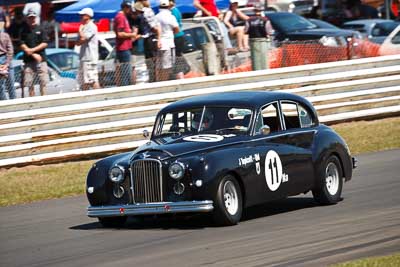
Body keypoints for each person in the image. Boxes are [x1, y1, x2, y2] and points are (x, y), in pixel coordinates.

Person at [20, 9, 49, 97]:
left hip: (41, 60)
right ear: (27, 19)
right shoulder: (23, 31)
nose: (32, 19)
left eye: (33, 18)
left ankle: (43, 99)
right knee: (29, 83)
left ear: (35, 18)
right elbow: (21, 44)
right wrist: (32, 53)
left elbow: (45, 43)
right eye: (30, 18)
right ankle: (32, 102)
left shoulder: (41, 29)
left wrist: (32, 50)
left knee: (43, 82)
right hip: (28, 61)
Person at [134, 0, 161, 82]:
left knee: (149, 62)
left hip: (145, 40)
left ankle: (152, 79)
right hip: (151, 38)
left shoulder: (136, 13)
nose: (148, 1)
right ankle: (156, 80)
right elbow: (154, 27)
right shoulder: (147, 11)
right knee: (155, 61)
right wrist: (159, 36)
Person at [114, 0, 139, 86]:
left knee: (127, 72)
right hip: (123, 48)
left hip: (126, 47)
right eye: (128, 8)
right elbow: (120, 33)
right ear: (125, 7)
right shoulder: (120, 17)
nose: (129, 10)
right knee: (126, 73)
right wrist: (132, 34)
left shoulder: (123, 16)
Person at [155, 0, 180, 81]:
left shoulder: (157, 16)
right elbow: (177, 29)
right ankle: (165, 82)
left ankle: (160, 81)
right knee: (167, 66)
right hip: (169, 43)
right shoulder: (171, 16)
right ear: (168, 6)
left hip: (159, 43)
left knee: (159, 66)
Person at [76, 8, 100, 90]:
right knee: (84, 81)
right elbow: (78, 43)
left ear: (88, 16)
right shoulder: (83, 27)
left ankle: (101, 98)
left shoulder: (91, 26)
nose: (80, 16)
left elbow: (83, 38)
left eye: (82, 15)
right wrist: (81, 35)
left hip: (90, 58)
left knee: (92, 80)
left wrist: (80, 31)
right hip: (84, 57)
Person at [170, 0, 188, 79]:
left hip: (177, 36)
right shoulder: (176, 10)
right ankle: (181, 72)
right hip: (179, 35)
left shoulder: (173, 11)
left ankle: (180, 74)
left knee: (177, 56)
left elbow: (174, 25)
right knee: (178, 56)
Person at [0, 24, 13, 100]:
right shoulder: (5, 35)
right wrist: (7, 64)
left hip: (5, 59)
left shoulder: (5, 35)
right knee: (10, 85)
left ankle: (5, 103)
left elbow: (10, 50)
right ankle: (13, 102)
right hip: (6, 59)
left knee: (1, 86)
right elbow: (10, 50)